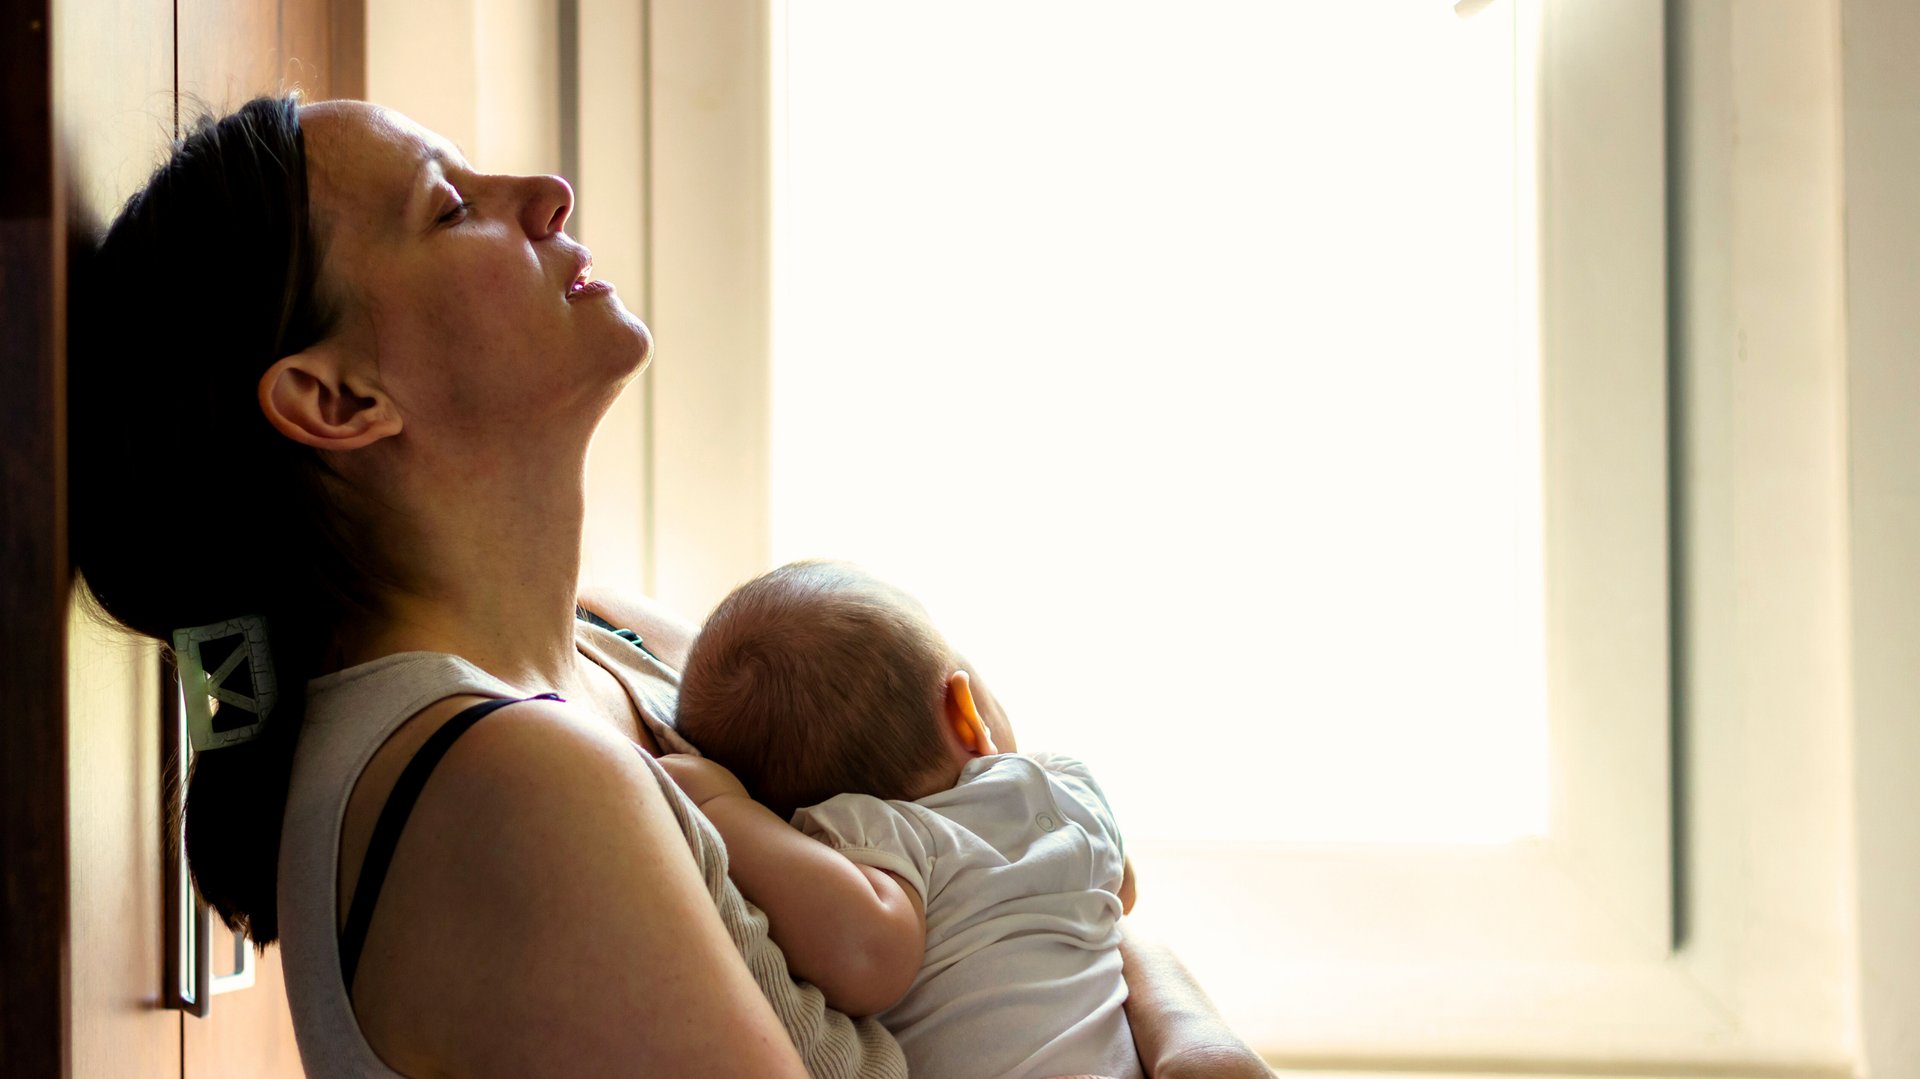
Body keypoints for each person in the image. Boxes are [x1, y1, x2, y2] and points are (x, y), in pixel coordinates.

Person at [66, 92, 1270, 1077]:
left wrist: (1193, 1030)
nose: (544, 195)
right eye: (450, 206)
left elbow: (1031, 889)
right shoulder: (506, 782)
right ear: (338, 400)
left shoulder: (618, 651)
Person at [665, 560, 1141, 1079]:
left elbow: (866, 961)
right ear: (966, 714)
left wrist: (720, 807)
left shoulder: (877, 843)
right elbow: (1123, 891)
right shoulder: (1059, 787)